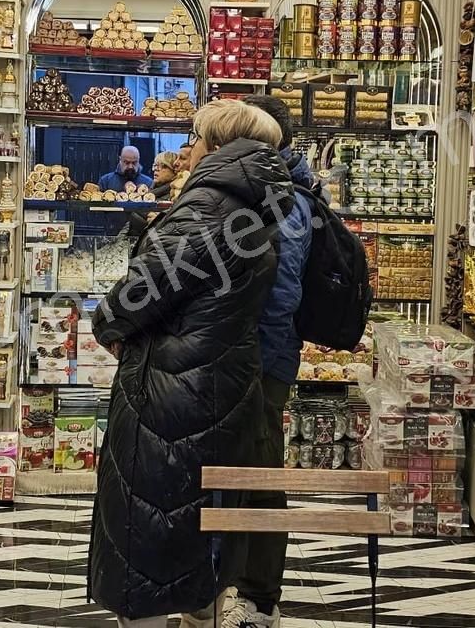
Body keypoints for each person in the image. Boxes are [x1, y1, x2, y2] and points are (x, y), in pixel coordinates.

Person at [89, 99, 296, 628]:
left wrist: (105, 324)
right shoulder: (265, 203)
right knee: (203, 532)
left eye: (196, 138)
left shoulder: (209, 205)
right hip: (228, 382)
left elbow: (141, 293)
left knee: (149, 533)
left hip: (172, 395)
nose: (188, 149)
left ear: (219, 146)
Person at [189, 94, 321, 628]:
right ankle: (215, 585)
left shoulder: (286, 200)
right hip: (236, 359)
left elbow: (281, 295)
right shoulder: (257, 192)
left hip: (261, 363)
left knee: (260, 475)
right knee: (224, 474)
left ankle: (259, 596)